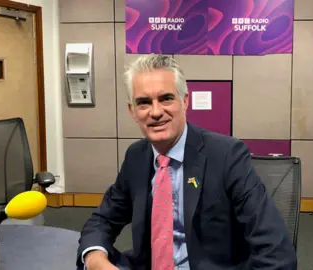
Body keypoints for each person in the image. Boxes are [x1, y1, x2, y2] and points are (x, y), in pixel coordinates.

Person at [76, 54, 297, 270]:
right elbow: (102, 220)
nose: (155, 112)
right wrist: (96, 260)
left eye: (166, 98)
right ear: (132, 111)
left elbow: (276, 251)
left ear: (185, 101)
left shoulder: (227, 155)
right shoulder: (136, 157)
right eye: (143, 102)